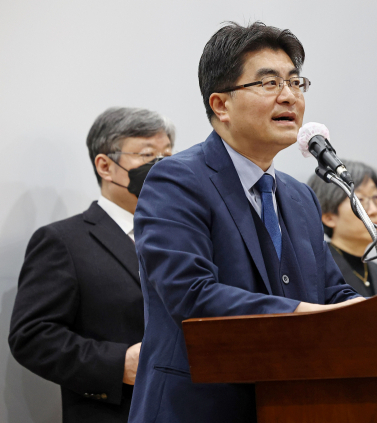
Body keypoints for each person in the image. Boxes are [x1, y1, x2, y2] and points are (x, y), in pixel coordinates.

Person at [128, 22, 363, 423]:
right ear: (220, 104)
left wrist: (367, 312)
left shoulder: (298, 195)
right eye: (269, 83)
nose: (289, 96)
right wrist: (304, 314)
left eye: (295, 82)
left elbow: (330, 291)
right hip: (197, 407)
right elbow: (193, 294)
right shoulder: (176, 180)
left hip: (292, 404)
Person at [8, 107, 175, 422]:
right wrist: (117, 364)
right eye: (148, 155)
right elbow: (31, 337)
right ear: (105, 165)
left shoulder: (184, 236)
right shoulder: (63, 241)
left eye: (168, 154)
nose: (163, 166)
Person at [307, 160, 377, 296]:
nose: (374, 210)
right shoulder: (316, 272)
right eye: (360, 200)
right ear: (329, 216)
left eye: (375, 197)